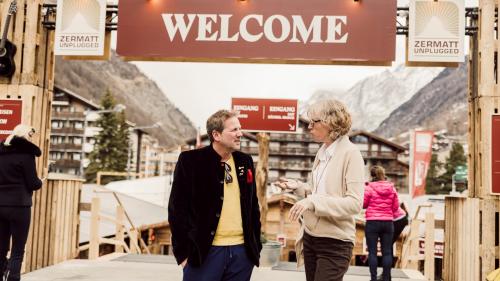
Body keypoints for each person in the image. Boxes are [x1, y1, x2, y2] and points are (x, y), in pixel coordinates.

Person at [275, 99, 365, 281]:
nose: (309, 126)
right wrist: (300, 187)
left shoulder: (351, 154)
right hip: (311, 237)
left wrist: (312, 201)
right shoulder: (322, 152)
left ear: (330, 122)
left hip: (335, 242)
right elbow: (320, 193)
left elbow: (355, 204)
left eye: (313, 121)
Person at [168, 110, 262, 281]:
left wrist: (255, 247)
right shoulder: (190, 161)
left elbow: (253, 206)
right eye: (234, 130)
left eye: (240, 128)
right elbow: (177, 209)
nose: (240, 134)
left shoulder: (245, 161)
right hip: (204, 253)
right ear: (216, 135)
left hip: (242, 254)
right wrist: (183, 254)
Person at [0, 124, 43, 281]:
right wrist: (41, 182)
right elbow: (33, 183)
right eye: (30, 135)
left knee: (1, 247)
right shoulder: (26, 155)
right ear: (25, 135)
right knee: (17, 249)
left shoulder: (1, 154)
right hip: (20, 206)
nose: (31, 139)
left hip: (0, 205)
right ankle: (13, 277)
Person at [363, 165, 399, 281]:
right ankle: (386, 278)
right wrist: (387, 212)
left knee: (372, 252)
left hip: (372, 222)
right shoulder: (392, 188)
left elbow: (363, 204)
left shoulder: (369, 188)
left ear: (372, 176)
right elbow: (396, 206)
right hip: (388, 222)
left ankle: (373, 279)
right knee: (387, 252)